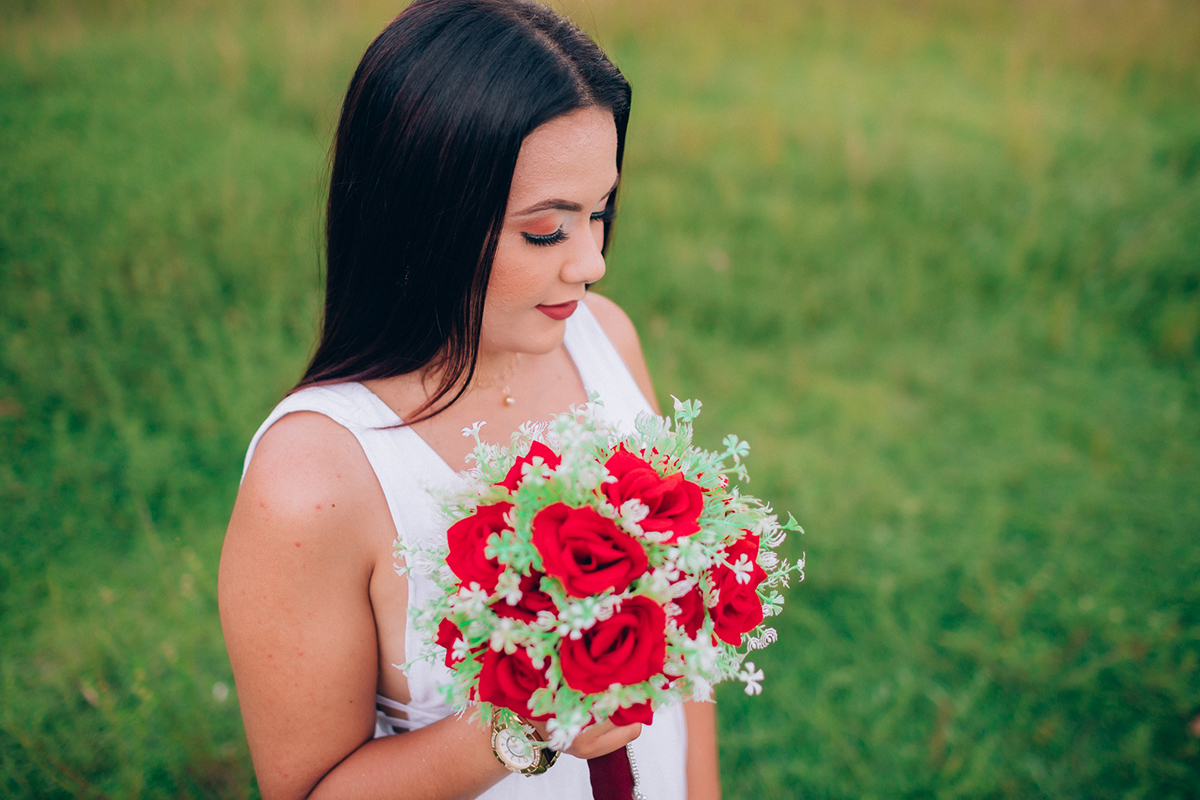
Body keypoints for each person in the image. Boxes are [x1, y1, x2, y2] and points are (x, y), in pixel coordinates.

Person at [218, 1, 722, 798]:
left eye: (601, 212)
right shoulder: (314, 481)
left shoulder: (605, 341)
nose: (592, 262)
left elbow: (682, 650)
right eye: (546, 232)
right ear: (425, 223)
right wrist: (531, 715)